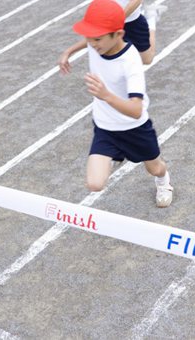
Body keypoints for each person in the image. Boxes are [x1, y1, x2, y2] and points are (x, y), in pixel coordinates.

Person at [59, 0, 173, 207]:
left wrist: (106, 95)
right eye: (90, 38)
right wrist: (69, 51)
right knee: (94, 183)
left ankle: (164, 181)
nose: (92, 44)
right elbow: (92, 39)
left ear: (119, 34)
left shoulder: (130, 62)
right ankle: (113, 154)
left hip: (134, 129)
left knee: (155, 168)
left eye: (97, 39)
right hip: (105, 129)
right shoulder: (97, 45)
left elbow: (136, 110)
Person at [116, 0, 167, 65]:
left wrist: (118, 18)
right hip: (107, 22)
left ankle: (151, 18)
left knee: (147, 60)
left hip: (132, 21)